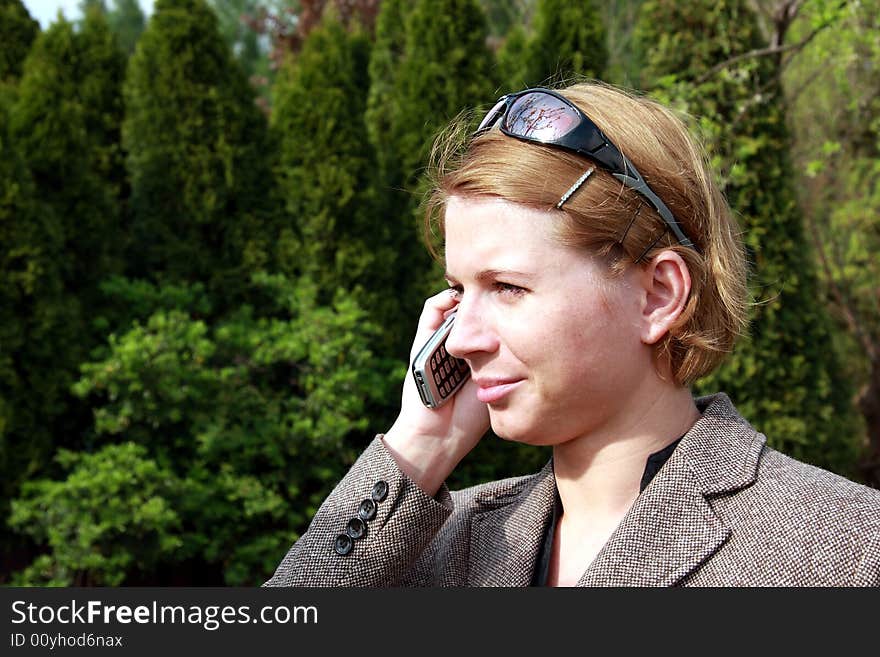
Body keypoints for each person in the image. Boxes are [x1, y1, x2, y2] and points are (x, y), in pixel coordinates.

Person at [265, 82, 880, 586]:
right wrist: (416, 453)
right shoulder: (441, 548)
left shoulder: (843, 551)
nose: (457, 340)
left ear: (658, 295)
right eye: (458, 292)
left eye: (507, 287)